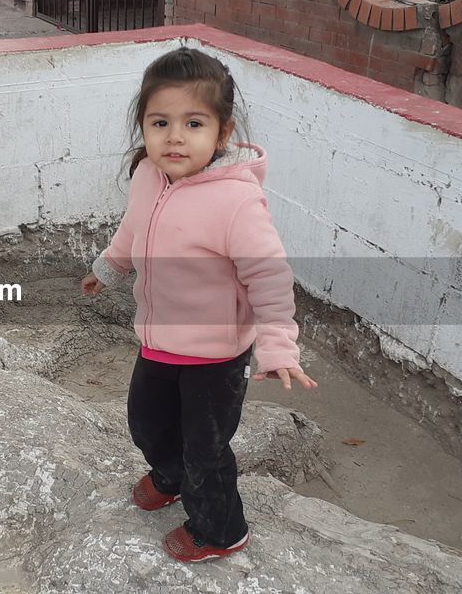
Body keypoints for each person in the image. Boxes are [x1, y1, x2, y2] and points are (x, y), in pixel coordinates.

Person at [79, 46, 317, 563]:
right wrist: (110, 267)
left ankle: (220, 529)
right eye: (160, 122)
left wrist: (277, 346)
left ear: (222, 133)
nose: (175, 137)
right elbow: (134, 227)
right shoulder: (148, 175)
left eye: (193, 123)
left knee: (206, 451)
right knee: (146, 422)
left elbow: (271, 279)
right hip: (158, 342)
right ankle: (169, 477)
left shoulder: (235, 203)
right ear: (143, 126)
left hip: (214, 359)